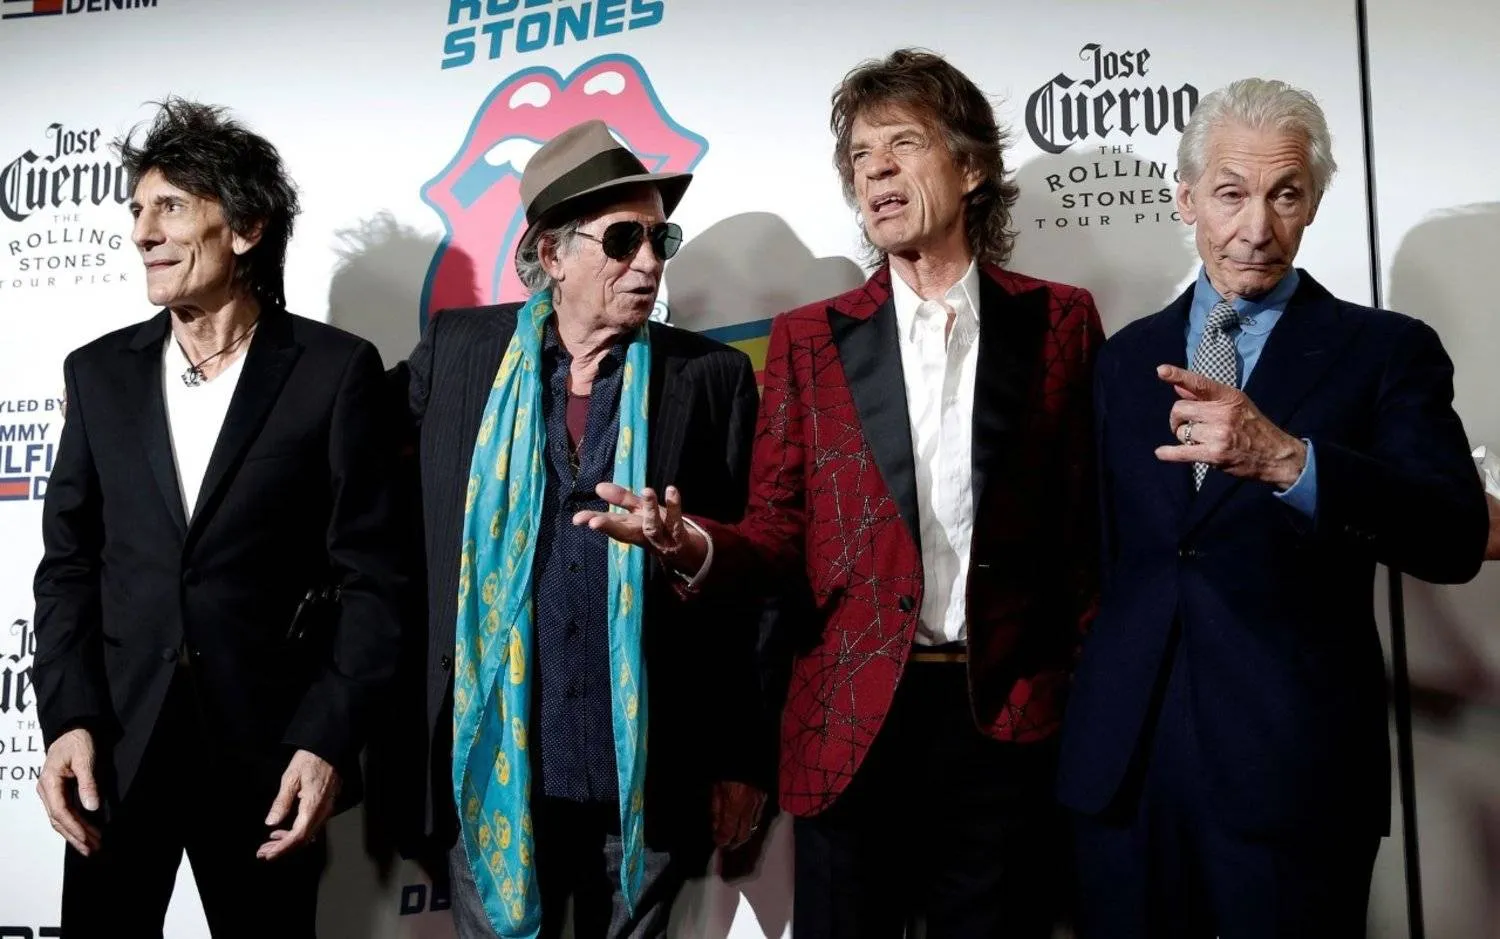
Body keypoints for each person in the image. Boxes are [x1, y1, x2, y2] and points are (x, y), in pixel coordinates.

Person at [579, 49, 1103, 938]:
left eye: (904, 145)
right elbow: (778, 535)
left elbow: (1085, 533)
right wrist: (691, 543)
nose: (878, 172)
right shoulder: (810, 341)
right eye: (861, 157)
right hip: (851, 730)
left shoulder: (1059, 321)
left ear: (972, 168)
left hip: (1007, 727)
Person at [1055, 77, 1492, 938]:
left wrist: (1291, 461)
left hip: (1293, 768)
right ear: (1185, 199)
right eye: (1230, 193)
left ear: (1314, 201)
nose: (1257, 227)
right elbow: (1104, 555)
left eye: (1285, 194)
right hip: (1123, 771)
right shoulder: (1124, 357)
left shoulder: (1386, 351)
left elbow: (1453, 533)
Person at [31, 97, 405, 936]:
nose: (141, 232)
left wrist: (327, 739)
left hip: (268, 753)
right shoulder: (98, 376)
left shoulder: (333, 373)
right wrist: (68, 719)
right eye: (136, 209)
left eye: (169, 206)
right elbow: (68, 567)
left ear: (244, 229)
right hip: (114, 754)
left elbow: (374, 581)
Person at [393, 119, 769, 938]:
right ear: (553, 253)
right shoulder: (459, 353)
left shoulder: (710, 380)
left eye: (660, 237)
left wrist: (741, 756)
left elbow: (754, 587)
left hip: (645, 772)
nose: (649, 261)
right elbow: (348, 463)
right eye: (624, 239)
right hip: (497, 764)